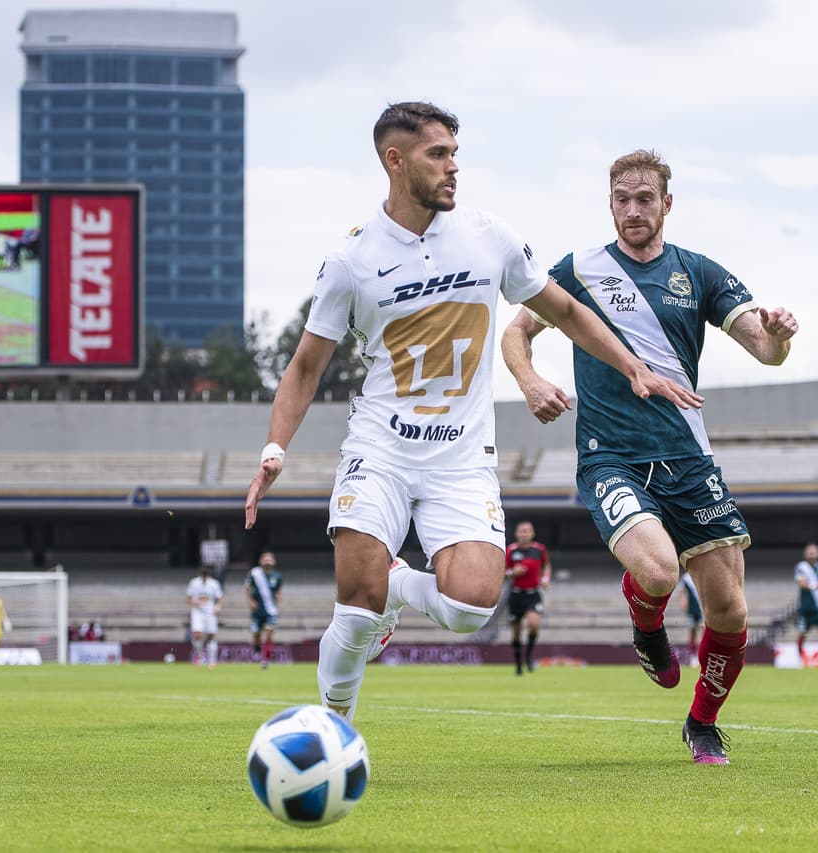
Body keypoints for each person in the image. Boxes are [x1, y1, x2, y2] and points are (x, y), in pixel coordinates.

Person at [245, 103, 697, 722]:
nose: (453, 167)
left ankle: (398, 585)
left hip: (461, 458)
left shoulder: (490, 237)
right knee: (355, 605)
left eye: (455, 153)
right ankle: (334, 730)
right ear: (395, 161)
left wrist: (632, 366)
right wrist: (275, 450)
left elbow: (566, 311)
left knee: (469, 608)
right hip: (380, 449)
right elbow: (304, 367)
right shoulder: (351, 260)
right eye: (438, 154)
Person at [502, 148, 799, 764]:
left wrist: (778, 337)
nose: (633, 210)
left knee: (730, 608)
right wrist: (529, 381)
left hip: (688, 457)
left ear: (667, 203)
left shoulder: (699, 272)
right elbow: (516, 332)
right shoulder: (579, 268)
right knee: (660, 570)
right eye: (622, 199)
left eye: (645, 199)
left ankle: (702, 723)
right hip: (610, 454)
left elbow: (766, 352)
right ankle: (646, 622)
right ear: (609, 203)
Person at [505, 520, 551, 675]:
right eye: (522, 531)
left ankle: (529, 655)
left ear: (532, 533)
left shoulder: (539, 550)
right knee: (516, 632)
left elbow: (546, 565)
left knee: (533, 624)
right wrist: (512, 572)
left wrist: (545, 578)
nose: (524, 534)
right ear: (516, 533)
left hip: (533, 594)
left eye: (527, 531)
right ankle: (518, 664)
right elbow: (502, 572)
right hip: (516, 594)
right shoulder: (511, 551)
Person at [794, 543, 818, 664]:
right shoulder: (801, 567)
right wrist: (816, 586)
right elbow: (802, 583)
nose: (811, 554)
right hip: (805, 607)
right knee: (802, 633)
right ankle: (800, 659)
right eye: (809, 552)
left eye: (814, 552)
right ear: (805, 554)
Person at [246, 551, 283, 669]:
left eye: (269, 559)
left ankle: (265, 659)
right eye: (265, 559)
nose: (268, 562)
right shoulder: (254, 573)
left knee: (269, 632)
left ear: (274, 562)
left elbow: (278, 590)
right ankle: (257, 652)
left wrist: (278, 598)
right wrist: (250, 601)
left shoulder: (277, 576)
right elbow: (247, 588)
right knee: (256, 635)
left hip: (270, 610)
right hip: (257, 610)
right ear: (261, 561)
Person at [186, 568, 223, 668]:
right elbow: (188, 597)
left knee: (211, 635)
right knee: (197, 634)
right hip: (197, 611)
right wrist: (193, 602)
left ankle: (212, 660)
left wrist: (218, 607)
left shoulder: (214, 583)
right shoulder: (194, 582)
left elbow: (219, 598)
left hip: (210, 610)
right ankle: (200, 656)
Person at [678, 571, 703, 664]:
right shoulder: (686, 577)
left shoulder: (701, 574)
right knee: (693, 633)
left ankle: (702, 656)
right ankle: (693, 657)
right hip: (691, 610)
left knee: (703, 631)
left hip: (702, 609)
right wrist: (682, 600)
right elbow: (680, 590)